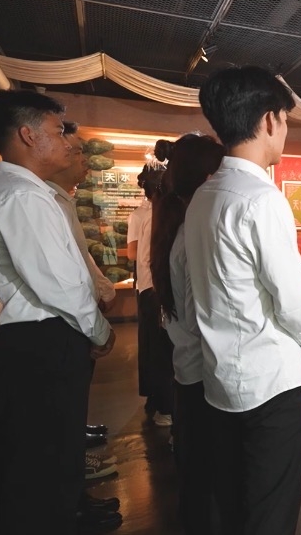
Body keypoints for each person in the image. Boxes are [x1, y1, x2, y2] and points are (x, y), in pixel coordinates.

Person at [0, 89, 117, 535]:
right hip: (39, 341)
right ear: (28, 135)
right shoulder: (20, 196)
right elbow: (59, 282)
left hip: (43, 339)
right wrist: (99, 330)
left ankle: (68, 514)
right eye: (57, 131)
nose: (67, 142)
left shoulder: (26, 192)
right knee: (40, 463)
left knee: (53, 452)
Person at [189, 65, 301, 535]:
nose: (285, 130)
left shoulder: (204, 196)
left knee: (233, 500)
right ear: (270, 120)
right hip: (271, 381)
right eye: (286, 120)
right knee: (271, 507)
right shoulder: (261, 199)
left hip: (220, 379)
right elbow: (290, 295)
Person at [149, 134, 225, 534]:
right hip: (202, 375)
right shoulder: (193, 233)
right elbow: (202, 316)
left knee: (194, 469)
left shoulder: (174, 225)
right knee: (206, 475)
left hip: (187, 367)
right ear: (209, 177)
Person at [45, 122, 121, 493]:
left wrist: (102, 287)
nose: (81, 160)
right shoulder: (38, 201)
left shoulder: (61, 200)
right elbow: (63, 274)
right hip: (55, 324)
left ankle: (74, 462)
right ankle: (71, 487)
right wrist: (98, 329)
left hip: (72, 320)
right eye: (75, 151)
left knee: (73, 399)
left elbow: (81, 258)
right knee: (60, 406)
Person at [127, 148, 174, 427]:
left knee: (153, 345)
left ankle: (157, 400)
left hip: (148, 286)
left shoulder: (142, 214)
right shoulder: (164, 213)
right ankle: (165, 404)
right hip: (159, 287)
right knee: (164, 347)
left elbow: (135, 254)